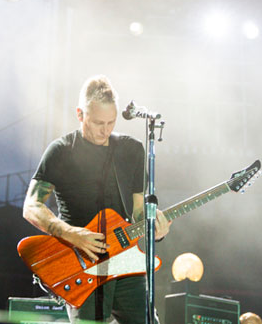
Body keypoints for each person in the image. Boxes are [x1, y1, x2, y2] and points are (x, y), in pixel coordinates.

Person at [22, 75, 171, 324]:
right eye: (98, 122)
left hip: (124, 257)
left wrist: (154, 226)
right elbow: (31, 206)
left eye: (111, 122)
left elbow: (137, 211)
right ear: (80, 115)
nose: (106, 130)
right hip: (82, 262)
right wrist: (72, 234)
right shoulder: (61, 151)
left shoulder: (131, 150)